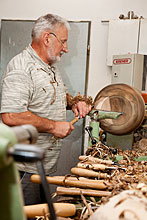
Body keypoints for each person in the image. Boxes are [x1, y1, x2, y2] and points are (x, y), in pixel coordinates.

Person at [0, 14, 92, 206]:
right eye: (64, 42)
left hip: (41, 165)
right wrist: (53, 127)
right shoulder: (22, 68)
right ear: (47, 38)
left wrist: (75, 103)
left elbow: (56, 97)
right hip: (22, 168)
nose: (66, 49)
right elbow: (11, 115)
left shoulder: (50, 67)